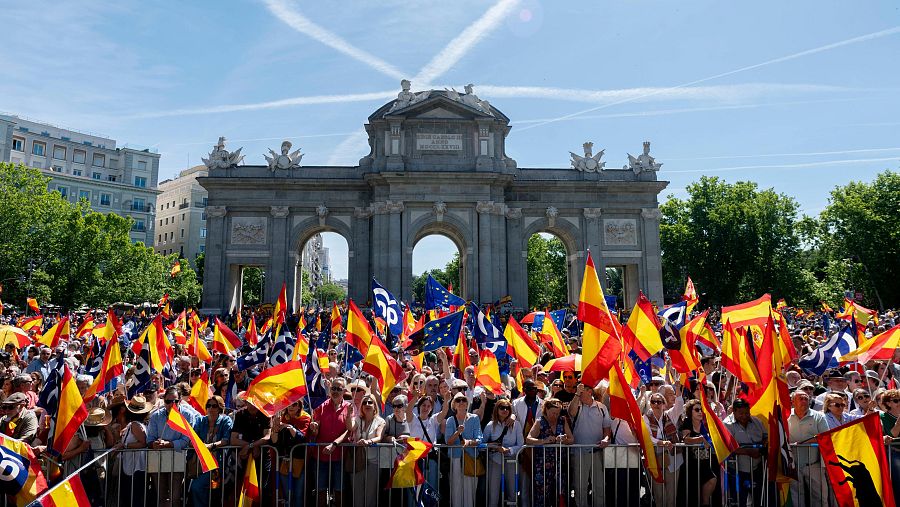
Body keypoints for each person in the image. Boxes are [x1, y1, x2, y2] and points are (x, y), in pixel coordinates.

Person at [309, 376, 352, 507]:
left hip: (340, 456)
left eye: (339, 389)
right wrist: (314, 428)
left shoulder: (349, 408)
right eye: (333, 388)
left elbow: (349, 431)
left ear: (344, 391)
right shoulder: (321, 407)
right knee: (321, 490)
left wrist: (335, 444)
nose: (335, 391)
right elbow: (315, 430)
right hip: (321, 456)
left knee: (339, 490)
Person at [145, 387, 192, 507]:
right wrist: (153, 444)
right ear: (163, 400)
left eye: (175, 401)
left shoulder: (187, 415)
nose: (172, 404)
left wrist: (169, 444)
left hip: (177, 458)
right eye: (168, 401)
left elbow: (187, 439)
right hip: (158, 459)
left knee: (175, 497)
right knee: (161, 497)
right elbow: (150, 438)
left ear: (180, 400)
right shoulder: (155, 416)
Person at [568, 383, 611, 507]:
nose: (579, 393)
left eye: (582, 391)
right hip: (579, 453)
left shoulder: (601, 407)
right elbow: (571, 412)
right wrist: (577, 394)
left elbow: (607, 429)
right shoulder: (577, 405)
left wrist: (606, 439)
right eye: (578, 391)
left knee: (599, 485)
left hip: (597, 452)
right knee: (580, 486)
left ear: (589, 392)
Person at [526, 397, 573, 507]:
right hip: (542, 465)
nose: (555, 416)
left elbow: (572, 439)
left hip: (560, 463)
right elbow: (528, 439)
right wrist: (544, 441)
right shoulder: (539, 421)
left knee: (560, 492)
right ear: (546, 410)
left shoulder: (563, 420)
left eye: (557, 413)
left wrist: (565, 439)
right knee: (542, 494)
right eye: (553, 413)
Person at [787, 389, 829, 507]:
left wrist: (801, 443)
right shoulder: (786, 415)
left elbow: (824, 437)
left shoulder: (818, 417)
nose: (804, 401)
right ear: (793, 402)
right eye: (801, 398)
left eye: (806, 398)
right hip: (793, 465)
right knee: (796, 497)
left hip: (813, 464)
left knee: (820, 496)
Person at [189, 395, 232, 507]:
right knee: (198, 488)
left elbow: (226, 440)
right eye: (208, 406)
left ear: (220, 408)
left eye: (214, 406)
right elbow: (193, 438)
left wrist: (210, 446)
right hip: (201, 463)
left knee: (207, 490)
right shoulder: (200, 420)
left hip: (218, 464)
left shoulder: (226, 420)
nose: (211, 409)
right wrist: (198, 445)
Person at [724, 398, 767, 507]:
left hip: (757, 468)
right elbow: (728, 447)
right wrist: (749, 451)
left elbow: (765, 438)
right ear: (734, 411)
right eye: (741, 413)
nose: (744, 416)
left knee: (758, 499)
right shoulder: (727, 424)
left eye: (747, 412)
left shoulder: (757, 422)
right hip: (737, 470)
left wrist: (763, 447)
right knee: (739, 500)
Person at [444, 391, 484, 507]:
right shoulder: (450, 420)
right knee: (456, 489)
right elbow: (448, 442)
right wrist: (458, 433)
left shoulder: (474, 418)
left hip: (471, 458)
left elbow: (479, 438)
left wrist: (469, 442)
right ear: (454, 405)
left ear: (467, 403)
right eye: (458, 400)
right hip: (456, 458)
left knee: (470, 490)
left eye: (463, 400)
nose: (461, 402)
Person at [484, 398, 523, 507]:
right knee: (493, 493)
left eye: (507, 408)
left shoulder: (516, 425)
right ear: (497, 409)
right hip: (495, 461)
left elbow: (521, 444)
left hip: (511, 461)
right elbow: (482, 444)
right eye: (502, 407)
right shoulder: (490, 425)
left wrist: (508, 450)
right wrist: (493, 446)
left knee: (512, 492)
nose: (505, 410)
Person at [271, 400, 311, 506]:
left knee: (298, 495)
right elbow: (274, 442)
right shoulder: (281, 418)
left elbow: (302, 438)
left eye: (294, 404)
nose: (291, 407)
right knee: (287, 495)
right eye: (288, 404)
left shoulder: (305, 417)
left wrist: (289, 427)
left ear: (299, 406)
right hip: (284, 462)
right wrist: (274, 429)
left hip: (300, 462)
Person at [678, 399, 717, 507]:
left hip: (704, 461)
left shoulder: (704, 423)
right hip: (691, 463)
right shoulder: (687, 422)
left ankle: (705, 503)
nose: (700, 412)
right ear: (691, 412)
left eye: (701, 410)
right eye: (697, 410)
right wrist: (700, 439)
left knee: (712, 479)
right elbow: (685, 439)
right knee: (692, 493)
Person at [349, 392, 384, 507]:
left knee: (370, 495)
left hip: (373, 462)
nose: (367, 404)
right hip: (358, 461)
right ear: (361, 406)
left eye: (370, 402)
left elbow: (379, 437)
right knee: (357, 494)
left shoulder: (380, 421)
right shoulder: (357, 419)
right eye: (364, 402)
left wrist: (369, 442)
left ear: (375, 405)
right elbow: (350, 427)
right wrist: (348, 415)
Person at [645, 391, 680, 507]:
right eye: (653, 401)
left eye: (659, 402)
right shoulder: (645, 418)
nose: (656, 404)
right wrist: (660, 442)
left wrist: (678, 390)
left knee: (671, 493)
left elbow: (679, 406)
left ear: (664, 404)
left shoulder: (670, 415)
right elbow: (647, 437)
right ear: (650, 404)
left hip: (671, 457)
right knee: (658, 493)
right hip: (654, 457)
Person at [116, 396, 151, 507]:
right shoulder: (136, 424)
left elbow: (143, 443)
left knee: (133, 497)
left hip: (135, 466)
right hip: (132, 464)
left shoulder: (136, 425)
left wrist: (125, 445)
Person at [880, 388, 900, 502]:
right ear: (888, 403)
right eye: (896, 401)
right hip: (894, 453)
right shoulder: (883, 417)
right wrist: (899, 423)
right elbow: (892, 435)